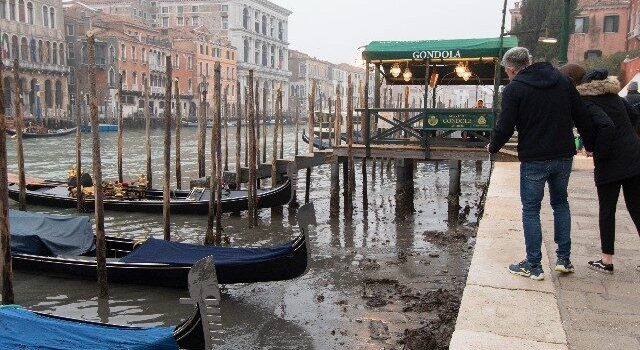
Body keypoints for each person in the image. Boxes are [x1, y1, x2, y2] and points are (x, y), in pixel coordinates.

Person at [488, 47, 594, 281]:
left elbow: (505, 125)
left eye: (507, 71)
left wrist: (493, 146)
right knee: (560, 204)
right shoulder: (563, 81)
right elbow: (581, 114)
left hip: (534, 157)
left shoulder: (514, 89)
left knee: (531, 210)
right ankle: (564, 260)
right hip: (563, 155)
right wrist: (590, 143)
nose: (508, 75)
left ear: (512, 69)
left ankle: (534, 265)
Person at [561, 67, 640, 273]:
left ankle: (607, 260)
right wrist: (629, 138)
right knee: (636, 207)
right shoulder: (614, 96)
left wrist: (598, 152)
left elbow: (606, 126)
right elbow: (634, 115)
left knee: (607, 210)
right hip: (634, 156)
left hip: (611, 161)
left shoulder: (587, 101)